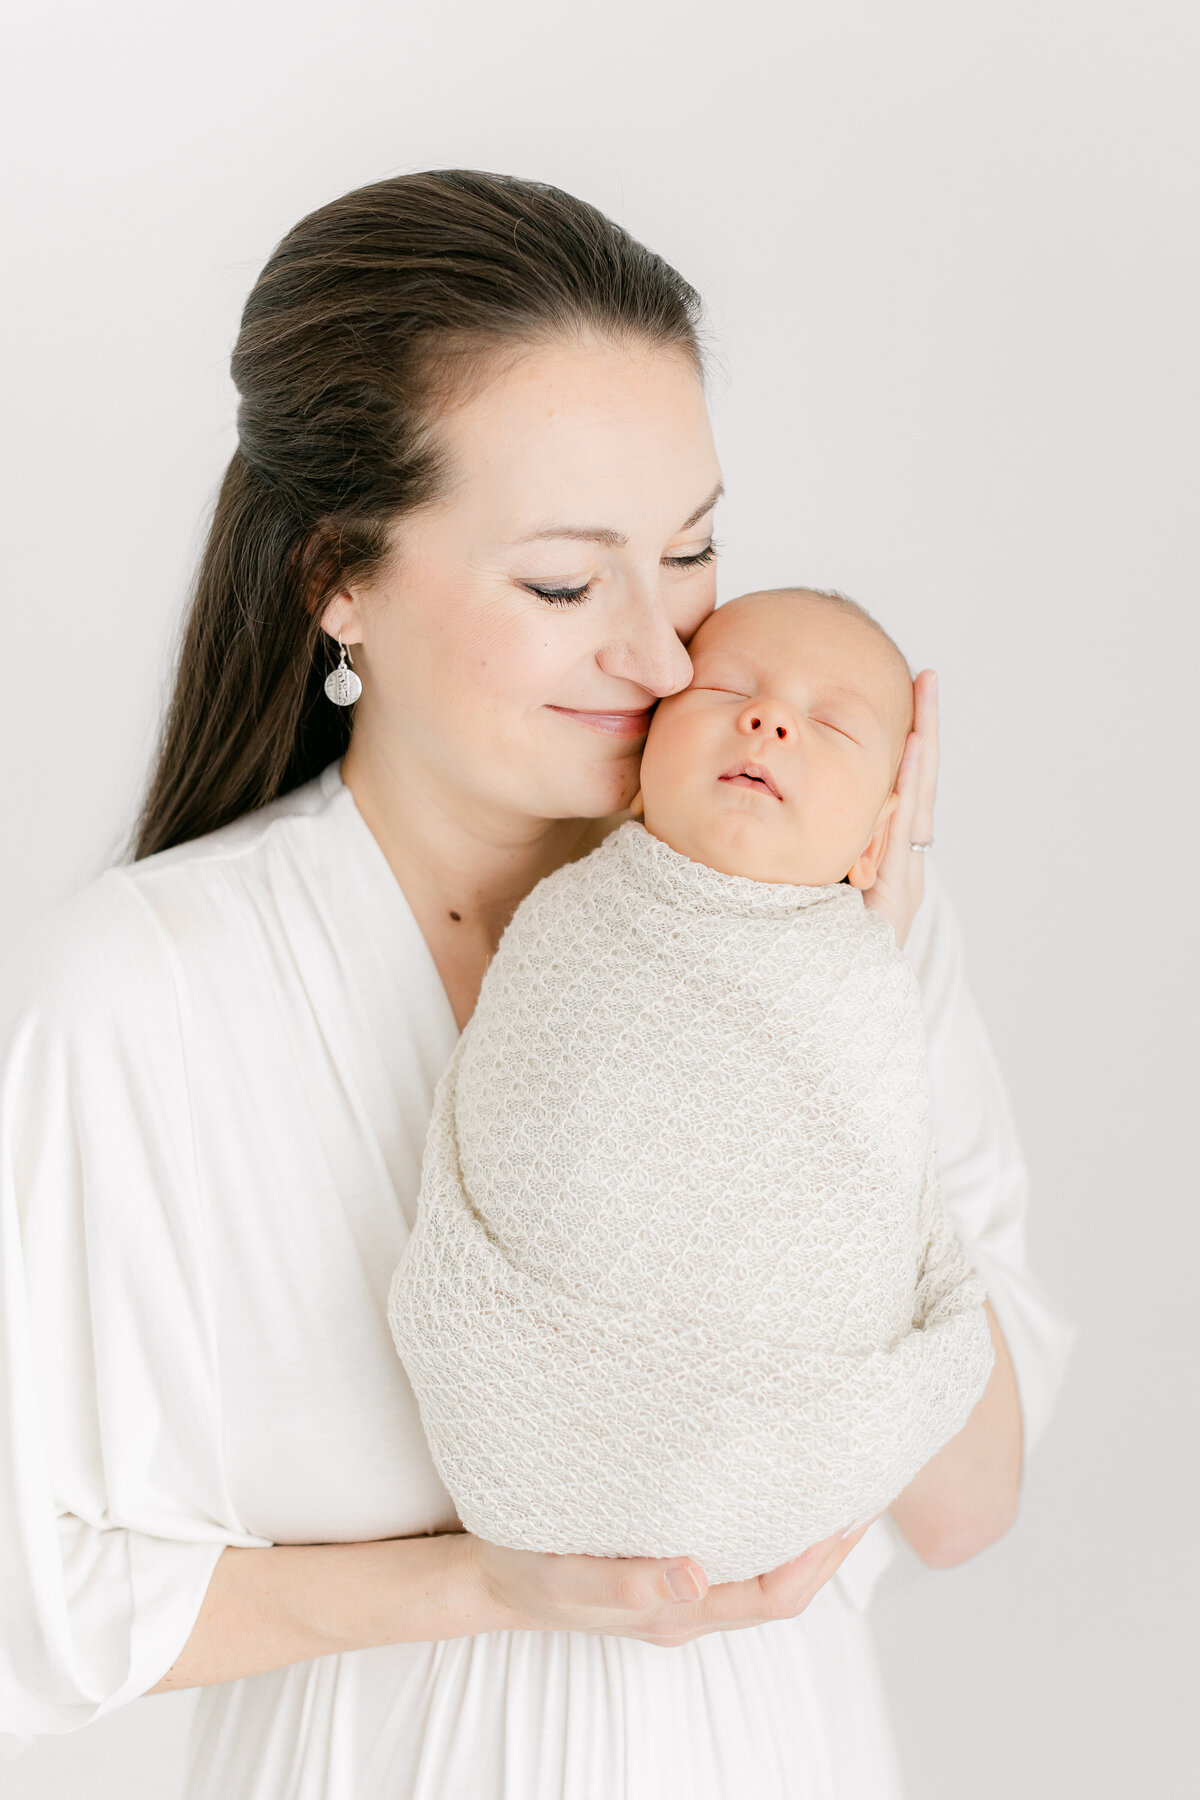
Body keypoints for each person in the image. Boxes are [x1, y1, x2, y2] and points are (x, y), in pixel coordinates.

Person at [0, 170, 1078, 1799]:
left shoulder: (833, 927)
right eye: (568, 584)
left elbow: (963, 1500)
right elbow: (40, 1592)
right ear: (335, 582)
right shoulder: (152, 992)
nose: (663, 656)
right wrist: (488, 1584)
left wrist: (860, 1013)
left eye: (694, 550)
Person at [389, 587, 997, 1585]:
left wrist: (874, 973)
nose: (769, 719)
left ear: (877, 840)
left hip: (769, 1445)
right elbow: (533, 1117)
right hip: (524, 1401)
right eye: (726, 689)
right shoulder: (568, 916)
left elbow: (874, 1200)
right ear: (637, 769)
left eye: (831, 724)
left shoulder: (874, 987)